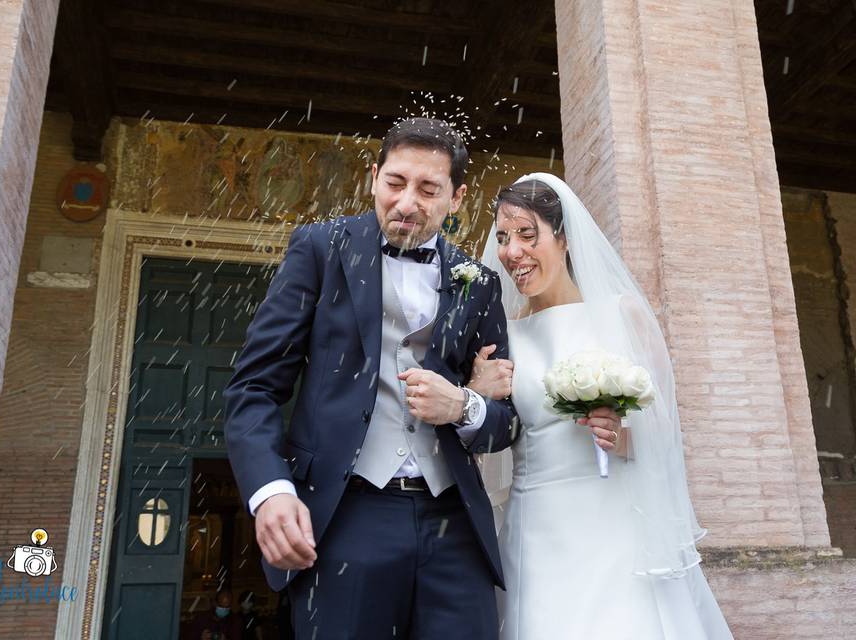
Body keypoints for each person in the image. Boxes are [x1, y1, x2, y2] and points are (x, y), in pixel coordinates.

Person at [224, 117, 518, 639]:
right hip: (345, 516)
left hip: (455, 526)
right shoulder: (320, 249)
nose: (407, 203)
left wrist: (463, 406)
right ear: (374, 176)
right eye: (395, 183)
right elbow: (254, 387)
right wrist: (270, 491)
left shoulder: (480, 283)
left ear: (458, 197)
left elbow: (505, 424)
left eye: (429, 190)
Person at [469, 173, 733, 639]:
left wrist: (624, 437)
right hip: (537, 529)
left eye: (528, 234)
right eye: (504, 238)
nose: (512, 252)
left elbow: (666, 439)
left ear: (565, 237)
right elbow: (488, 441)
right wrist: (477, 391)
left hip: (615, 526)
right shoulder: (502, 338)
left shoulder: (621, 314)